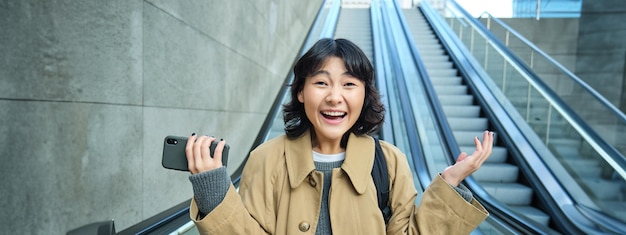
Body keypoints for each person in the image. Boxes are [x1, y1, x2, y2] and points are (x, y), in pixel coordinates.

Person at [185, 38, 494, 234]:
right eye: (321, 83)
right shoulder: (266, 158)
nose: (335, 97)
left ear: (364, 95)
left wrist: (450, 186)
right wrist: (214, 194)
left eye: (349, 85)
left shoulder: (389, 161)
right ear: (302, 93)